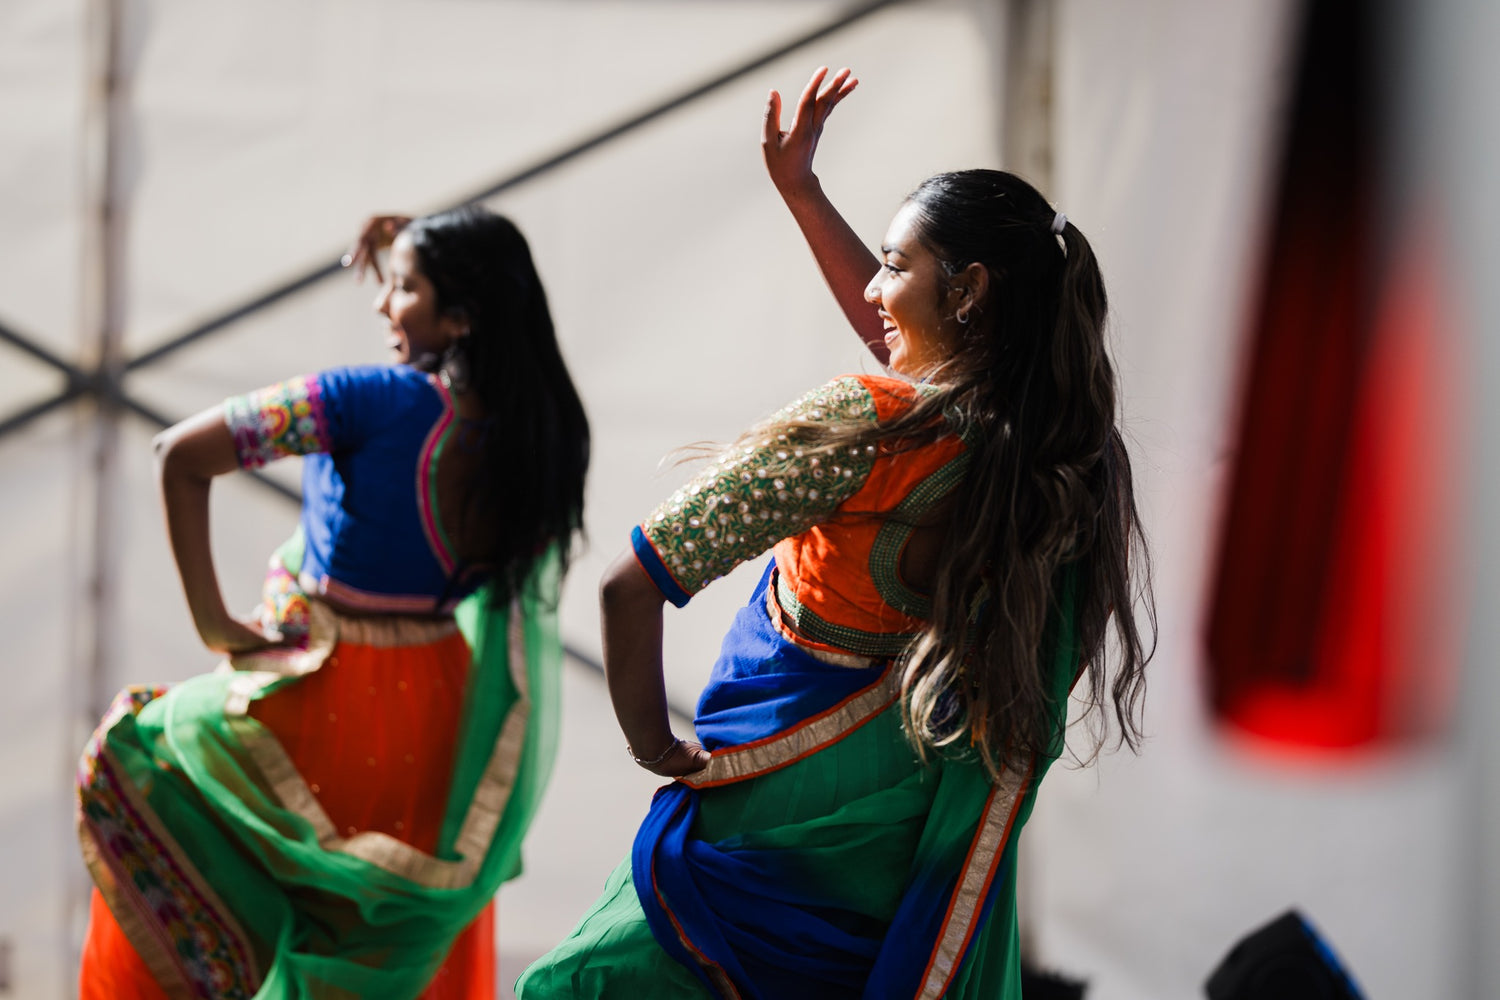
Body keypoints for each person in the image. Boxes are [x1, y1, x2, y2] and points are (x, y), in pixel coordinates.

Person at [516, 67, 1153, 1000]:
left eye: (897, 267)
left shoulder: (871, 426)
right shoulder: (1056, 458)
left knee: (574, 988)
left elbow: (628, 584)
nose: (877, 291)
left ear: (969, 290)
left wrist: (657, 750)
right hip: (880, 854)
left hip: (755, 826)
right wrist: (804, 194)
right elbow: (911, 359)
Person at [75, 205, 590, 1000]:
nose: (384, 302)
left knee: (134, 764)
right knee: (380, 925)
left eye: (404, 289)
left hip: (330, 700)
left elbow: (178, 455)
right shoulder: (540, 437)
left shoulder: (364, 401)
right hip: (441, 716)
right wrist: (413, 248)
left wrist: (214, 622)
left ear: (459, 315)